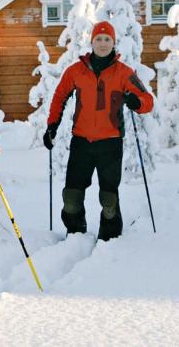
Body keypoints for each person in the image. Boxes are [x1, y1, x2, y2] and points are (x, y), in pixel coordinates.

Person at [43, 21, 154, 240]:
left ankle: (109, 239)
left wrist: (136, 102)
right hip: (81, 143)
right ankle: (75, 234)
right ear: (92, 42)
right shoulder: (75, 71)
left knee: (109, 200)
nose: (103, 44)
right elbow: (59, 97)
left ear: (113, 43)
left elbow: (147, 101)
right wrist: (52, 126)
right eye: (99, 39)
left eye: (107, 39)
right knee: (71, 198)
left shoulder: (124, 73)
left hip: (110, 144)